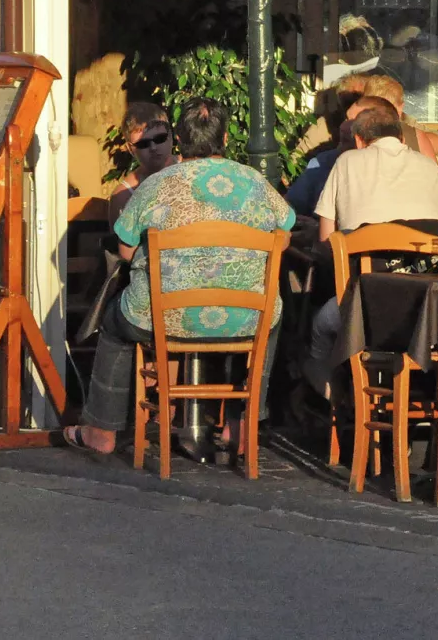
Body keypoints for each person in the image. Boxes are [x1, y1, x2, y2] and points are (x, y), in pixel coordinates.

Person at [64, 98, 295, 459]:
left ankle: (101, 431)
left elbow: (125, 250)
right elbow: (284, 234)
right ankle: (242, 426)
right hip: (243, 318)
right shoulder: (255, 182)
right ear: (224, 134)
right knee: (272, 317)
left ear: (179, 137)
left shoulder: (155, 186)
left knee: (114, 323)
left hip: (163, 317)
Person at [304, 97, 438, 396]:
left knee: (319, 329)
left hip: (364, 310)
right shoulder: (430, 168)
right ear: (401, 137)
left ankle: (345, 405)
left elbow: (326, 245)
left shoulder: (346, 162)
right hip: (426, 312)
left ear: (360, 141)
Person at [314, 97, 438, 242]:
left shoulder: (346, 161)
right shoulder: (430, 165)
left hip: (363, 261)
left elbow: (327, 238)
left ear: (358, 140)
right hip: (424, 261)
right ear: (402, 140)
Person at [107, 102, 178, 227]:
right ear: (130, 148)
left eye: (159, 138)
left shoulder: (196, 168)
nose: (153, 147)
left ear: (171, 136)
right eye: (143, 144)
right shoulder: (123, 196)